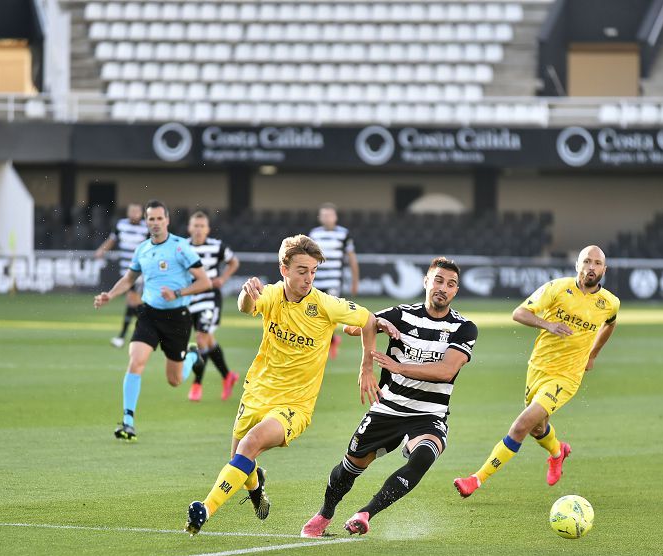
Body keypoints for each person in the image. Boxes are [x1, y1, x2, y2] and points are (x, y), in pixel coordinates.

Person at [184, 234, 385, 535]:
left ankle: (204, 510)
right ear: (284, 270)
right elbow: (245, 306)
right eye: (302, 271)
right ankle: (256, 488)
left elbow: (368, 319)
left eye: (313, 271)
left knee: (250, 445)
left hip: (294, 405)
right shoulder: (273, 295)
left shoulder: (325, 305)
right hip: (257, 392)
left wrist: (366, 365)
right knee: (240, 460)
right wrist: (247, 293)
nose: (308, 278)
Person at [302, 258, 477, 537]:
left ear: (456, 291)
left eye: (451, 284)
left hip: (429, 414)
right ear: (426, 282)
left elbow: (446, 371)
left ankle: (366, 513)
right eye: (439, 280)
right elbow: (352, 327)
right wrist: (378, 322)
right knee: (350, 467)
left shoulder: (463, 328)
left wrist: (400, 367)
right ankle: (325, 513)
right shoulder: (402, 314)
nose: (443, 288)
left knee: (422, 457)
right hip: (388, 408)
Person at [454, 245, 620, 497]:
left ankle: (476, 480)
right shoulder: (557, 288)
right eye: (587, 261)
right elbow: (518, 313)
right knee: (537, 428)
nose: (591, 267)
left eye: (597, 263)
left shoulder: (609, 303)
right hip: (538, 368)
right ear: (577, 265)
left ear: (604, 269)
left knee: (522, 425)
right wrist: (548, 324)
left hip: (567, 377)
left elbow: (610, 324)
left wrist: (593, 354)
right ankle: (557, 452)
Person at [93, 200, 212, 442]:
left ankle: (192, 357)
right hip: (149, 314)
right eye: (151, 219)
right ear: (146, 222)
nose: (155, 223)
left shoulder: (180, 248)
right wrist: (110, 294)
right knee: (136, 361)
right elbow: (129, 279)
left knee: (175, 380)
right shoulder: (142, 250)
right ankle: (128, 421)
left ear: (167, 220)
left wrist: (178, 293)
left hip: (177, 318)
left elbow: (204, 282)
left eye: (160, 219)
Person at [185, 210, 242, 402]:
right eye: (195, 225)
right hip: (189, 299)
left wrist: (223, 278)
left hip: (209, 298)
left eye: (202, 226)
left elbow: (234, 262)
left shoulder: (217, 246)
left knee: (201, 338)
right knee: (208, 341)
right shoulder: (182, 247)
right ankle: (227, 376)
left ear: (208, 229)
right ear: (189, 227)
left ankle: (197, 384)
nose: (199, 229)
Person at [94, 202, 150, 348]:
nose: (134, 214)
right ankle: (149, 328)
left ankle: (123, 336)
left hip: (140, 271)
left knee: (132, 301)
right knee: (133, 303)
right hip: (125, 270)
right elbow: (112, 240)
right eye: (131, 211)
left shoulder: (147, 227)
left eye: (137, 211)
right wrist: (102, 250)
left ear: (141, 213)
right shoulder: (121, 225)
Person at [309, 202, 360, 360]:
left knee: (328, 312)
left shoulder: (343, 234)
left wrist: (355, 281)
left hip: (333, 281)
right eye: (324, 215)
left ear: (335, 217)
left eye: (329, 215)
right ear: (320, 217)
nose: (327, 218)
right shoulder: (314, 234)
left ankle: (326, 342)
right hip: (316, 280)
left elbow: (351, 258)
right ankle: (331, 340)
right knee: (315, 313)